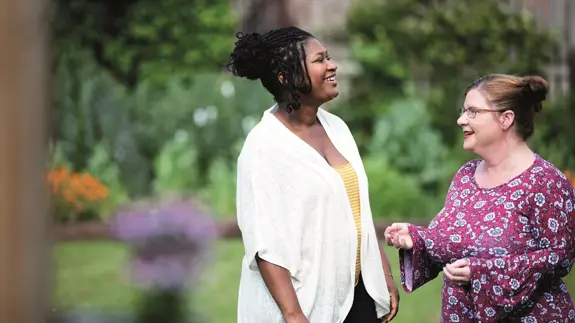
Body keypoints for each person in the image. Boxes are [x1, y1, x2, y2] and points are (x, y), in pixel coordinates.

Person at [227, 26, 399, 323]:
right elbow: (264, 244)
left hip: (355, 294)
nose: (332, 66)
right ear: (287, 76)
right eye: (320, 60)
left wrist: (381, 271)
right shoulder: (264, 148)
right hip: (301, 303)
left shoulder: (337, 128)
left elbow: (356, 208)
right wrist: (294, 315)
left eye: (328, 58)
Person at [384, 74, 575, 322]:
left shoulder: (545, 182)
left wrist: (483, 272)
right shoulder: (466, 176)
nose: (461, 119)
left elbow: (559, 257)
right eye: (464, 111)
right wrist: (418, 239)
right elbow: (458, 242)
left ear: (506, 118)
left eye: (473, 111)